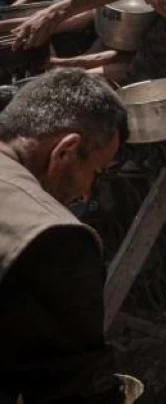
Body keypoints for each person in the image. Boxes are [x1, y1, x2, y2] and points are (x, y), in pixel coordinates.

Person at [0, 69, 128, 404]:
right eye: (96, 172)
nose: (87, 194)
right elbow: (75, 387)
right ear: (66, 151)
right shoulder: (54, 239)